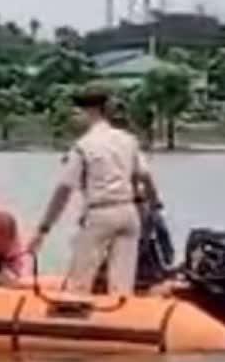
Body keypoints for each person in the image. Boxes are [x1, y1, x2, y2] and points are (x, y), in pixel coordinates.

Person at [27, 89, 162, 295]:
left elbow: (64, 190)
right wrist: (154, 206)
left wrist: (43, 229)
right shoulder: (127, 140)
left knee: (79, 282)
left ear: (88, 112)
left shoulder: (83, 146)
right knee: (121, 286)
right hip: (128, 213)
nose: (73, 119)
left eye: (75, 113)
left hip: (100, 213)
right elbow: (145, 177)